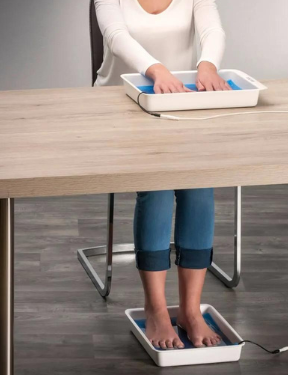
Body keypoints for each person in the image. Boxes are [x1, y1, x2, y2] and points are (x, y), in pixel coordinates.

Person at [94, 0, 230, 350]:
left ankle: (190, 310)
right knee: (156, 188)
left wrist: (207, 65)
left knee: (199, 187)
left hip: (177, 104)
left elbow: (212, 31)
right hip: (119, 107)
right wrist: (157, 70)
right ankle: (155, 309)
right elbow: (116, 36)